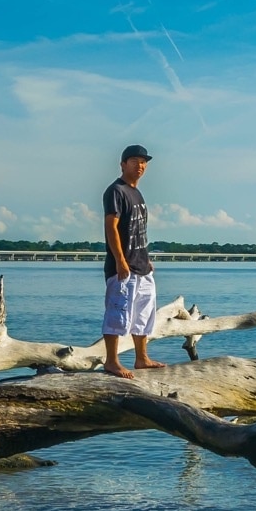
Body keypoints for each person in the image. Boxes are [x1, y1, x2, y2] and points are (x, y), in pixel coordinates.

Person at [101, 144, 158, 376]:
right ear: (123, 164)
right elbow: (111, 227)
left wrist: (146, 259)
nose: (140, 165)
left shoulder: (137, 193)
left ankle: (141, 358)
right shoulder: (116, 191)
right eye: (134, 161)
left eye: (143, 162)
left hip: (142, 266)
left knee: (144, 314)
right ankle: (112, 361)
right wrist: (120, 260)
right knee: (117, 313)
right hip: (123, 267)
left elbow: (138, 230)